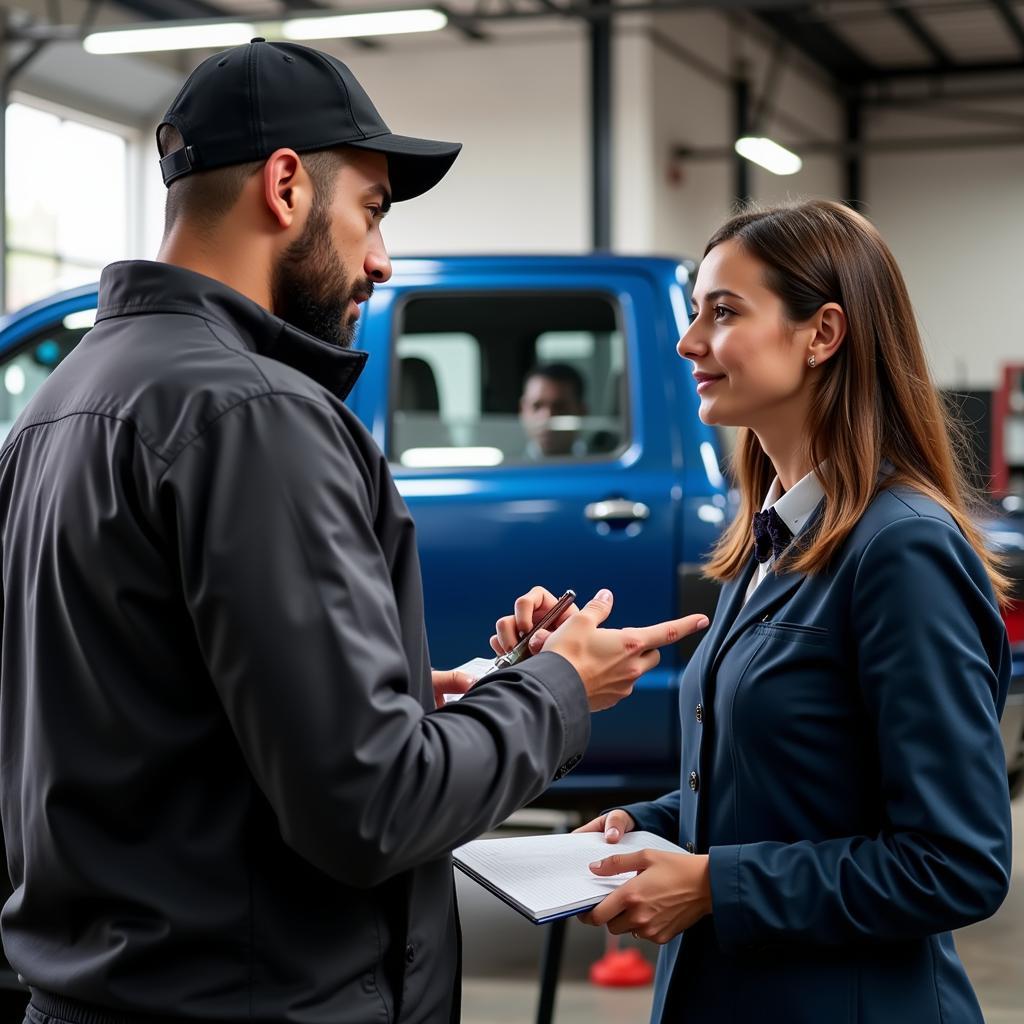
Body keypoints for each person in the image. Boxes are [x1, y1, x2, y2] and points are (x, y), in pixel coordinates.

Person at [0, 40, 709, 1024]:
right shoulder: (253, 414)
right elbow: (375, 810)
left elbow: (130, 703)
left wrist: (396, 695)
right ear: (286, 185)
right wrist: (556, 690)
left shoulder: (62, 400)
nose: (380, 258)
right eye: (372, 211)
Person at [499, 201, 1014, 1023]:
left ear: (823, 333)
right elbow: (781, 793)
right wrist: (647, 823)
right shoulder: (772, 537)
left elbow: (956, 863)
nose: (687, 341)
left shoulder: (902, 551)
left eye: (723, 311)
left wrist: (712, 886)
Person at [519, 362, 588, 457]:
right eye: (537, 406)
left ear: (581, 411)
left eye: (560, 407)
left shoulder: (603, 463)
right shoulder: (504, 466)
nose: (547, 417)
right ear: (522, 409)